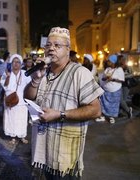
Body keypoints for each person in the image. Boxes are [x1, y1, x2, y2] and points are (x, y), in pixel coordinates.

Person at [24, 27, 104, 179]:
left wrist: (59, 114)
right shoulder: (43, 72)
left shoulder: (80, 73)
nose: (51, 49)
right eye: (48, 45)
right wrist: (35, 80)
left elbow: (96, 110)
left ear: (68, 49)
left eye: (57, 45)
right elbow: (28, 96)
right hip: (41, 152)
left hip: (64, 159)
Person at [0, 54, 31, 144]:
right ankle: (12, 136)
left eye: (18, 62)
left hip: (21, 101)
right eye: (14, 62)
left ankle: (22, 136)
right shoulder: (6, 73)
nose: (16, 64)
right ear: (11, 63)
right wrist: (8, 77)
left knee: (22, 119)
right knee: (11, 118)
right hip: (10, 100)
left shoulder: (25, 73)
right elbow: (4, 85)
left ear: (21, 64)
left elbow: (30, 86)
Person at [96, 54, 125, 124]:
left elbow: (122, 80)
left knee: (113, 105)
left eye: (109, 61)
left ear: (113, 62)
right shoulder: (108, 69)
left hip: (115, 90)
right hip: (106, 90)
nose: (107, 62)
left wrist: (113, 79)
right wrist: (105, 78)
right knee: (103, 103)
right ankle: (102, 116)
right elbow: (103, 78)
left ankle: (112, 117)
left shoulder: (119, 69)